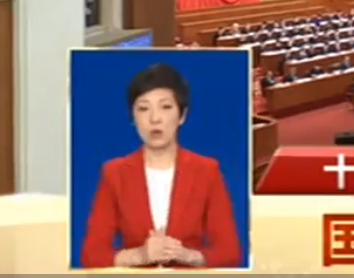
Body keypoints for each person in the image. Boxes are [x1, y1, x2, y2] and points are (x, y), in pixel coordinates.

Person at [79, 64, 242, 268]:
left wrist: (187, 255)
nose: (155, 119)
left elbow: (230, 252)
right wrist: (139, 255)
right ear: (133, 118)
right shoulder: (114, 173)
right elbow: (92, 255)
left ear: (182, 115)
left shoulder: (207, 170)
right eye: (143, 108)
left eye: (165, 107)